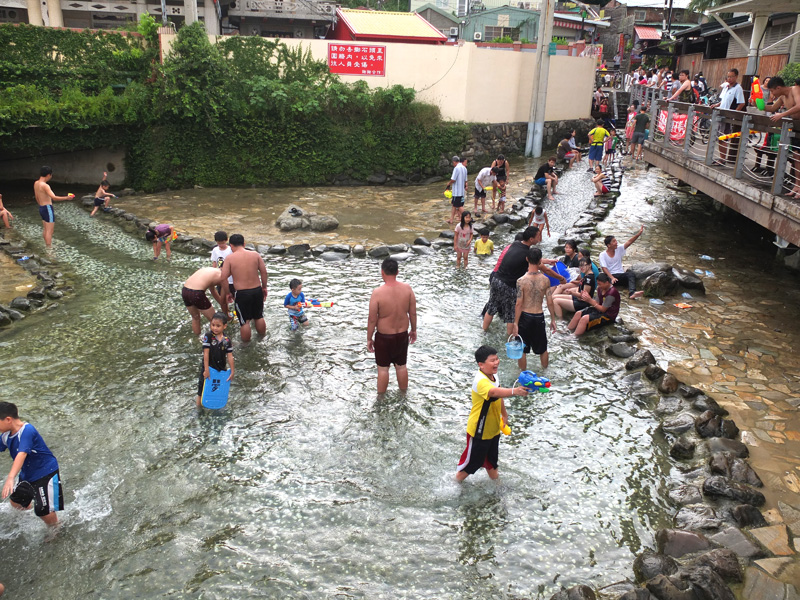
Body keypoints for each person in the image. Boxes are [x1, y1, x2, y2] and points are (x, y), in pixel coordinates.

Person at [455, 345, 528, 482]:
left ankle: (498, 487)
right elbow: (493, 392)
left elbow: (498, 394)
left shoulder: (493, 375)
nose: (496, 362)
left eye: (497, 359)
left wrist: (504, 414)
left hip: (493, 429)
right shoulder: (480, 381)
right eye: (492, 360)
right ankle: (454, 483)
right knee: (472, 464)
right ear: (481, 365)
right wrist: (515, 391)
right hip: (479, 430)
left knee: (492, 462)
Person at [482, 226, 565, 334]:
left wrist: (547, 261)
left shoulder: (516, 244)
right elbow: (546, 271)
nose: (539, 237)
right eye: (538, 236)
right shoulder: (528, 254)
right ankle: (509, 341)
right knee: (511, 315)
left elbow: (528, 259)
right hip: (508, 285)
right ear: (531, 239)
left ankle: (483, 331)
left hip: (496, 280)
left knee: (491, 308)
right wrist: (561, 279)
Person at [0, 402, 63, 527]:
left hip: (45, 473)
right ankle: (31, 515)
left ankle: (56, 528)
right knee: (16, 502)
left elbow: (21, 454)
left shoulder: (27, 430)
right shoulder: (6, 435)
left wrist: (11, 477)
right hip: (28, 474)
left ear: (8, 419)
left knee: (43, 511)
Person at [367, 258, 417, 395]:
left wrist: (369, 338)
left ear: (382, 272)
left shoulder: (377, 292)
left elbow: (372, 319)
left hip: (384, 337)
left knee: (383, 369)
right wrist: (413, 330)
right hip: (402, 335)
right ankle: (403, 396)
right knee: (401, 367)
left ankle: (381, 400)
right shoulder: (407, 289)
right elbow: (412, 312)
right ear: (397, 272)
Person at [512, 247, 556, 371]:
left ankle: (523, 374)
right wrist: (553, 319)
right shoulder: (545, 280)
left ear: (527, 259)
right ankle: (545, 373)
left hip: (525, 317)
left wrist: (515, 323)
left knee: (522, 349)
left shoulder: (521, 281)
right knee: (543, 349)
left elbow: (518, 304)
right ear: (540, 261)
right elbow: (550, 301)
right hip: (539, 316)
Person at [220, 234, 268, 343]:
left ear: (231, 246)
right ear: (244, 244)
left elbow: (223, 278)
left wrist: (227, 293)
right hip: (257, 290)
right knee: (259, 316)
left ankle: (246, 346)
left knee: (244, 321)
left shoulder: (230, 258)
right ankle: (262, 338)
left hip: (242, 293)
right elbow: (264, 272)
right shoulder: (255, 255)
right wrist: (264, 287)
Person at [766, 76, 800, 197]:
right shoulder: (781, 97)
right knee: (796, 156)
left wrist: (782, 114)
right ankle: (797, 185)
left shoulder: (795, 89)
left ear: (778, 87)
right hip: (797, 127)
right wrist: (757, 105)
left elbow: (799, 105)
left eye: (772, 90)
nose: (772, 93)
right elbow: (771, 108)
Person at [195, 312, 234, 408]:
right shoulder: (208, 336)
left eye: (218, 326)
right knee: (201, 390)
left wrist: (232, 371)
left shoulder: (227, 340)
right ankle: (199, 409)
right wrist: (206, 369)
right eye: (213, 325)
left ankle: (217, 406)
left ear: (224, 326)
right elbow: (206, 353)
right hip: (208, 368)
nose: (215, 328)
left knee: (219, 389)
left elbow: (230, 356)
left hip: (221, 368)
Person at [34, 166, 74, 249]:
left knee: (45, 229)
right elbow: (54, 197)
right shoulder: (45, 186)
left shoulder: (36, 183)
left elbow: (37, 197)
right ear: (48, 175)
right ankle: (49, 249)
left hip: (41, 207)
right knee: (50, 231)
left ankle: (46, 245)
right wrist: (67, 198)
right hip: (47, 208)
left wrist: (41, 205)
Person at [711, 69, 746, 164]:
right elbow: (723, 100)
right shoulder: (726, 86)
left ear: (736, 77)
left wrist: (734, 113)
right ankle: (721, 158)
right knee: (719, 136)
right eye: (728, 77)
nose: (729, 78)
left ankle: (723, 159)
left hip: (727, 116)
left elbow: (742, 103)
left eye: (732, 76)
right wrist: (716, 105)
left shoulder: (738, 88)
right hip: (721, 113)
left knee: (723, 137)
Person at [599, 227, 645, 298]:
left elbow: (629, 242)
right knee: (603, 278)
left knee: (631, 274)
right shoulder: (602, 255)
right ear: (609, 245)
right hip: (610, 277)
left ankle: (632, 293)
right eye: (614, 241)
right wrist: (612, 278)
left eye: (616, 241)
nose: (616, 243)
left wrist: (638, 234)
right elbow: (604, 268)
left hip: (620, 275)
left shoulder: (619, 249)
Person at [182, 267, 225, 335]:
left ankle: (197, 338)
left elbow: (213, 290)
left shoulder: (211, 270)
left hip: (185, 290)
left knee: (195, 317)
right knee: (215, 321)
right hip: (197, 293)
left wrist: (221, 303)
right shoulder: (222, 276)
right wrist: (226, 311)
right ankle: (217, 341)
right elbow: (223, 296)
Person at [211, 231, 234, 315]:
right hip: (220, 279)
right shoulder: (215, 250)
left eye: (223, 243)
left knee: (234, 297)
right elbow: (214, 263)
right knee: (223, 299)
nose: (221, 245)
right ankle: (226, 313)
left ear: (226, 240)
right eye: (219, 243)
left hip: (232, 280)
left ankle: (235, 312)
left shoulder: (231, 250)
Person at [445, 156, 468, 224]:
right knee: (454, 205)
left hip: (457, 191)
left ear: (454, 162)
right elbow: (465, 180)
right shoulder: (464, 168)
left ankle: (467, 217)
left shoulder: (456, 168)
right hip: (461, 191)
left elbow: (453, 179)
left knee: (459, 206)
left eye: (453, 163)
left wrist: (448, 183)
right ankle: (451, 219)